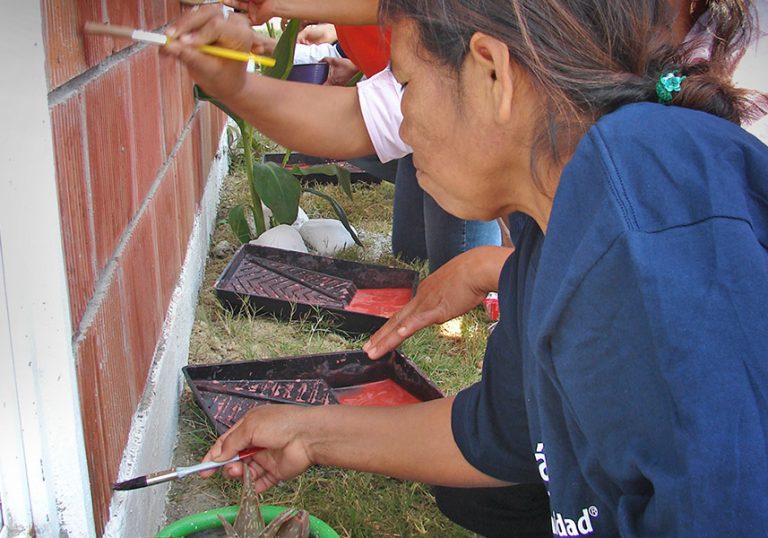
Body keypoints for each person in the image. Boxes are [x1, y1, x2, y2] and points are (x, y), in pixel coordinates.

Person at [164, 1, 768, 536]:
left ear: (491, 72)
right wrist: (307, 433)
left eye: (404, 84)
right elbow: (501, 434)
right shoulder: (557, 215)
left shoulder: (651, 230)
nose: (400, 123)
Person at [223, 0, 502, 270]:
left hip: (454, 120)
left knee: (460, 269)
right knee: (411, 252)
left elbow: (351, 121)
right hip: (436, 108)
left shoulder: (443, 78)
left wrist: (229, 83)